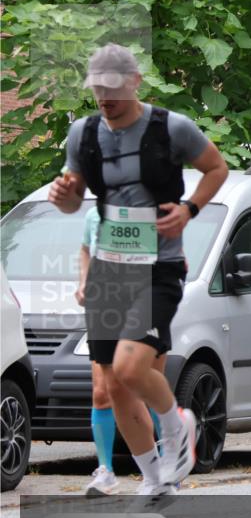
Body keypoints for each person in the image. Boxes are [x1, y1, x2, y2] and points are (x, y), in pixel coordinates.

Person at [48, 44, 228, 497]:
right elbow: (74, 202)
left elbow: (216, 168)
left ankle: (177, 425)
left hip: (159, 266)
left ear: (134, 82)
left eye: (112, 88)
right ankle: (153, 476)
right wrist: (64, 196)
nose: (104, 97)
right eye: (96, 89)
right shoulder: (83, 134)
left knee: (131, 367)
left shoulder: (172, 128)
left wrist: (189, 209)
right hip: (110, 268)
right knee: (112, 382)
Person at [75, 207, 167, 496]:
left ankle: (162, 468)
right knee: (103, 392)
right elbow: (85, 250)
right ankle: (106, 471)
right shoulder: (93, 215)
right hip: (104, 308)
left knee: (145, 391)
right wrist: (84, 283)